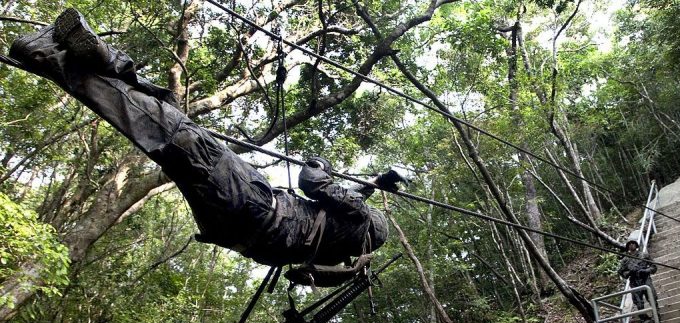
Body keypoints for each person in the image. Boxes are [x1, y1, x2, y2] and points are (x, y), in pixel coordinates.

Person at [9, 9, 406, 282]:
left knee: (176, 133)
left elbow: (316, 185)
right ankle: (101, 60)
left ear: (368, 220)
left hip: (257, 206)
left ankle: (52, 54)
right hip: (231, 226)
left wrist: (318, 164)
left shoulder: (361, 221)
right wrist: (372, 182)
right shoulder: (340, 251)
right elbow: (344, 201)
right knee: (168, 133)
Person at [618, 240, 659, 323]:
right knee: (639, 303)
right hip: (634, 282)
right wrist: (629, 273)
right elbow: (621, 272)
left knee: (652, 297)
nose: (631, 245)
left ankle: (657, 317)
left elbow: (654, 267)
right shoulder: (625, 260)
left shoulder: (644, 255)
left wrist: (646, 271)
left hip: (645, 279)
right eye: (629, 244)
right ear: (628, 247)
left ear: (636, 245)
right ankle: (645, 322)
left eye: (633, 243)